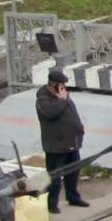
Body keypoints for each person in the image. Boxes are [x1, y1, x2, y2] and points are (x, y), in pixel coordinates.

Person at [36, 69, 90, 211]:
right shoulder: (43, 99)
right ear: (52, 85)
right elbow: (51, 113)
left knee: (73, 172)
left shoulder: (63, 96)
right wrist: (61, 100)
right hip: (56, 145)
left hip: (71, 141)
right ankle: (52, 203)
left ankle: (73, 197)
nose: (63, 88)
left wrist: (78, 128)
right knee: (54, 176)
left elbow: (71, 112)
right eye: (61, 85)